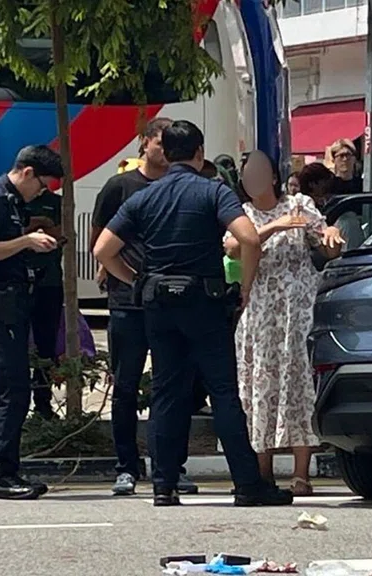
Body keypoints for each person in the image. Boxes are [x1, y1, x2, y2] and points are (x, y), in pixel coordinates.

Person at [93, 120, 293, 507]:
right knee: (222, 392)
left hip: (158, 304)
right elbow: (249, 238)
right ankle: (248, 485)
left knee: (166, 391)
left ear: (165, 154)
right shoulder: (213, 190)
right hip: (204, 301)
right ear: (200, 153)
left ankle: (163, 485)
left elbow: (103, 249)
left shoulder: (142, 197)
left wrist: (135, 280)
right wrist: (246, 287)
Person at [91, 117, 200, 497]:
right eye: (160, 143)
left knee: (172, 389)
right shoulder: (121, 187)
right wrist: (123, 275)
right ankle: (126, 465)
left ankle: (171, 466)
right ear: (144, 143)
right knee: (125, 386)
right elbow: (100, 238)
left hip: (173, 304)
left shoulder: (183, 188)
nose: (166, 152)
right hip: (128, 305)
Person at [225, 151, 344, 495]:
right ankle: (263, 473)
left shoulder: (300, 203)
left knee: (297, 384)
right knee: (259, 385)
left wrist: (332, 233)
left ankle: (301, 474)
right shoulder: (241, 214)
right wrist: (273, 227)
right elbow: (234, 247)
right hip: (259, 310)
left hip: (297, 308)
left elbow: (326, 245)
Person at [0, 145, 62, 500]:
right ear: (27, 172)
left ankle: (6, 469)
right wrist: (25, 240)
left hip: (13, 299)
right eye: (41, 185)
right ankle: (1, 475)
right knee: (13, 388)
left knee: (10, 387)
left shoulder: (11, 200)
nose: (41, 192)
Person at [23, 182, 63, 421]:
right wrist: (29, 230)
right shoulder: (13, 201)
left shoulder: (55, 202)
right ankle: (15, 404)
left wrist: (49, 226)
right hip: (18, 281)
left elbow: (65, 235)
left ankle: (43, 403)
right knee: (14, 347)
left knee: (45, 346)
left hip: (49, 281)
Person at [300, 162, 365, 252]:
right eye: (324, 180)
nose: (328, 183)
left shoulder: (335, 200)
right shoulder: (306, 207)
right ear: (312, 185)